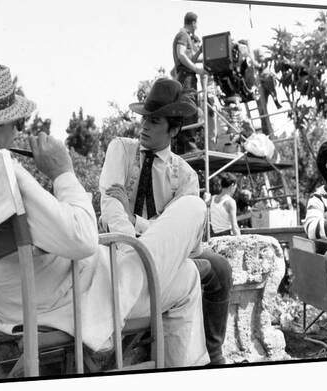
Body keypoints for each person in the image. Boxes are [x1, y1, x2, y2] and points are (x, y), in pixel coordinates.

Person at [0, 61, 209, 368]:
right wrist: (62, 173)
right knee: (194, 210)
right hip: (83, 301)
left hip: (13, 307)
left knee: (186, 273)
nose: (18, 129)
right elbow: (83, 239)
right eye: (13, 122)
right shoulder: (2, 175)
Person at [99, 78, 232, 365]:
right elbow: (110, 204)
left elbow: (184, 235)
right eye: (144, 118)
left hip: (166, 249)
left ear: (173, 129)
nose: (144, 126)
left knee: (220, 267)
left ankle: (215, 352)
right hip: (120, 248)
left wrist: (136, 221)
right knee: (194, 270)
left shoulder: (185, 175)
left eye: (154, 120)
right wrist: (133, 238)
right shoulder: (120, 149)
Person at [171, 11, 207, 153]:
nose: (197, 27)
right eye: (196, 24)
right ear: (193, 23)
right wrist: (196, 69)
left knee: (189, 110)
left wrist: (199, 53)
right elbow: (181, 54)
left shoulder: (187, 38)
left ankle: (183, 147)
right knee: (189, 110)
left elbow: (188, 57)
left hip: (188, 77)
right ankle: (189, 146)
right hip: (186, 77)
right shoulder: (183, 35)